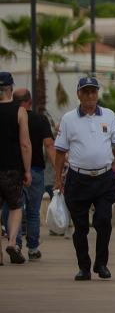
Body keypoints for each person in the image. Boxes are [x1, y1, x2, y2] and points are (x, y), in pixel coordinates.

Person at [53, 76, 115, 281]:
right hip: (78, 179)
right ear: (78, 94)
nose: (90, 95)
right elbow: (60, 152)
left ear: (97, 94)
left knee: (104, 221)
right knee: (81, 227)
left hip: (104, 177)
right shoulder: (68, 119)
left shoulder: (109, 116)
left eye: (93, 91)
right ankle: (84, 267)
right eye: (85, 92)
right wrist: (58, 179)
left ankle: (101, 263)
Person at [10, 88, 53, 260]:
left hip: (12, 170)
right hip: (35, 169)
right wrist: (59, 168)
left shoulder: (9, 118)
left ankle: (15, 244)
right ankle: (33, 248)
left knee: (13, 208)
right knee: (34, 211)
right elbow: (49, 145)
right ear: (29, 101)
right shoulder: (40, 119)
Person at [0, 72, 32, 265]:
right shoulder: (19, 111)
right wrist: (27, 171)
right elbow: (25, 144)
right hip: (12, 168)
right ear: (11, 88)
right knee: (15, 206)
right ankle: (12, 241)